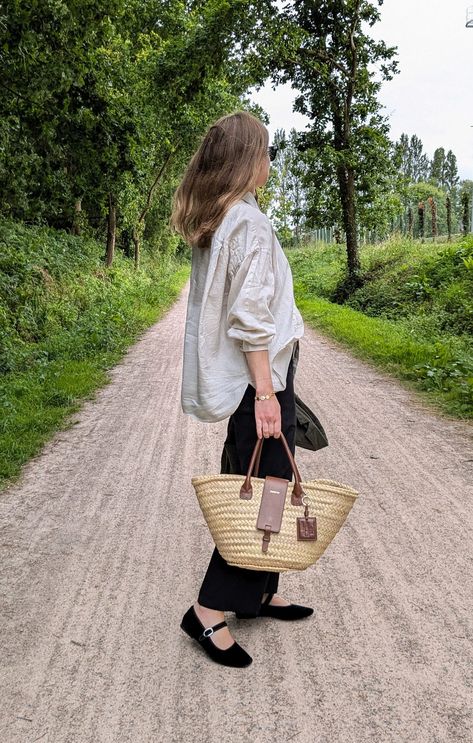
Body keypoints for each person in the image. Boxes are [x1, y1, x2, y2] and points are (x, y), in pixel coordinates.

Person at [171, 110, 313, 669]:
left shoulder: (223, 218)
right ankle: (207, 611)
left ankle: (257, 592)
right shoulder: (248, 224)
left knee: (259, 477)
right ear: (246, 159)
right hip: (259, 378)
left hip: (245, 378)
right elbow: (250, 316)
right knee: (267, 488)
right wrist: (266, 393)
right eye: (266, 152)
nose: (270, 162)